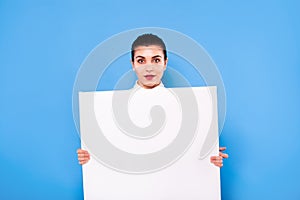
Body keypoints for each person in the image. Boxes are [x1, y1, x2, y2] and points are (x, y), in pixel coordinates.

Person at [77, 33, 228, 167]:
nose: (149, 68)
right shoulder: (110, 110)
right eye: (141, 61)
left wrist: (209, 158)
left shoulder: (189, 108)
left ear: (165, 63)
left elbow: (187, 156)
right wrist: (91, 160)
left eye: (156, 60)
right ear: (133, 65)